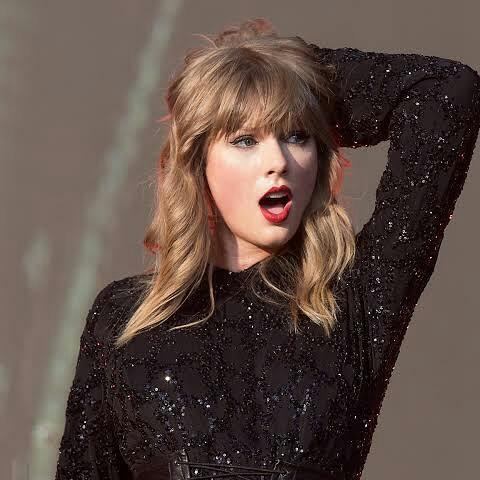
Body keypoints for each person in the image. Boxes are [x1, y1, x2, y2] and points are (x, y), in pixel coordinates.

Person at [54, 18, 480, 480]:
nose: (278, 161)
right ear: (197, 161)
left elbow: (447, 92)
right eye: (245, 140)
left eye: (296, 135)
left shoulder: (356, 299)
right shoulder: (123, 317)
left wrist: (288, 69)